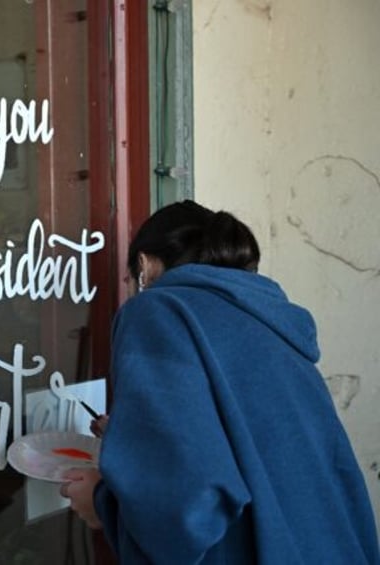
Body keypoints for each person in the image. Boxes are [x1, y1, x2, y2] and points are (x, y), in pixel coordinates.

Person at [59, 200, 380, 564]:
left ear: (144, 268)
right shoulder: (268, 317)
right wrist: (137, 442)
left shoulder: (157, 310)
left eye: (130, 281)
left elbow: (185, 508)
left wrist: (103, 503)